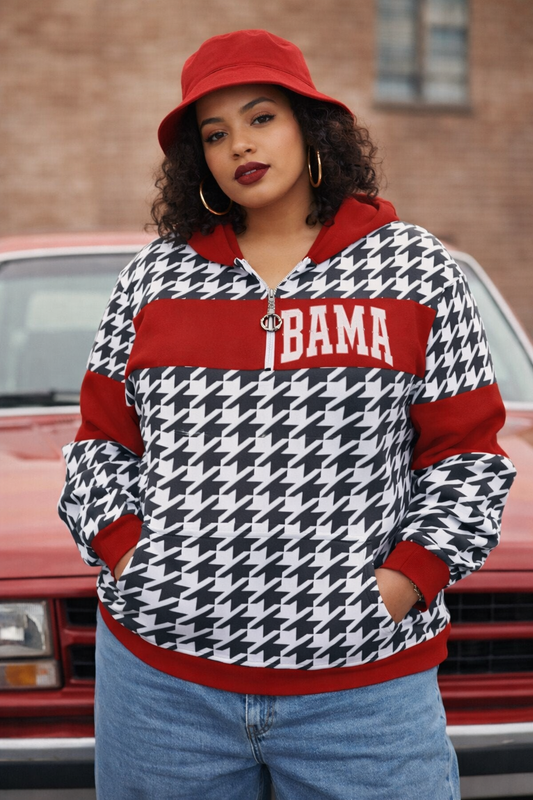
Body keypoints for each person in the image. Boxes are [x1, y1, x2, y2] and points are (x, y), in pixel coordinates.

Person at [58, 29, 516, 800]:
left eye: (261, 116)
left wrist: (399, 586)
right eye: (213, 132)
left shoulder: (414, 270)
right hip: (165, 687)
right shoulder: (153, 281)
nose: (239, 143)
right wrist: (133, 560)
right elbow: (102, 448)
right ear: (194, 158)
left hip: (362, 692)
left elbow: (467, 459)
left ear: (310, 126)